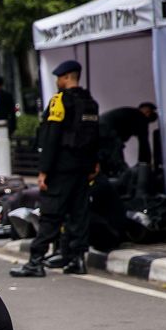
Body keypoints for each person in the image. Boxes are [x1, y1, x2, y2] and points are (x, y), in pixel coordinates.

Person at [10, 60, 100, 278]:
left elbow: (51, 137)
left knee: (51, 215)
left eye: (59, 78)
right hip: (83, 169)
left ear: (67, 77)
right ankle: (76, 260)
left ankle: (35, 261)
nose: (57, 82)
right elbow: (96, 137)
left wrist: (44, 170)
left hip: (61, 170)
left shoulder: (60, 101)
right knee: (78, 215)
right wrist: (94, 164)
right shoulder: (90, 103)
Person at [100, 101, 159, 176]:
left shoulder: (128, 114)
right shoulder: (140, 116)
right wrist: (144, 166)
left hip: (98, 131)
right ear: (146, 111)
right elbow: (144, 144)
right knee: (119, 167)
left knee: (106, 162)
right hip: (108, 133)